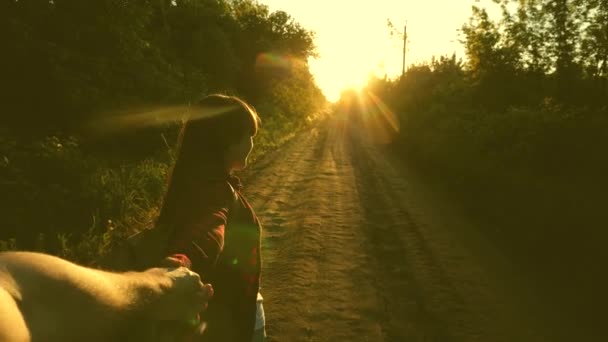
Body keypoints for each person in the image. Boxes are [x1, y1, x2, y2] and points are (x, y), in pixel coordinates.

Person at [159, 94, 266, 342]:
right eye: (248, 136)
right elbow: (208, 231)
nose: (252, 143)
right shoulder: (214, 191)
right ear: (225, 141)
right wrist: (180, 262)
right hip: (231, 322)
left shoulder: (191, 183)